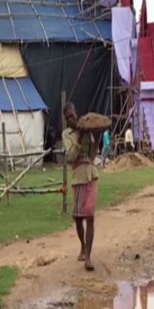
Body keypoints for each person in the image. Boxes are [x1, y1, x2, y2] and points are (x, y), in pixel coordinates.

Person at [62, 102, 99, 271]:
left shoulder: (86, 128)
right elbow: (70, 157)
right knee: (78, 217)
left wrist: (96, 137)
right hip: (78, 177)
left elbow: (92, 155)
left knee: (90, 216)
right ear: (66, 120)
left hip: (91, 175)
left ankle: (88, 258)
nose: (72, 118)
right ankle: (83, 246)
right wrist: (79, 137)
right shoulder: (67, 135)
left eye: (73, 114)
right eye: (68, 117)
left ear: (76, 113)